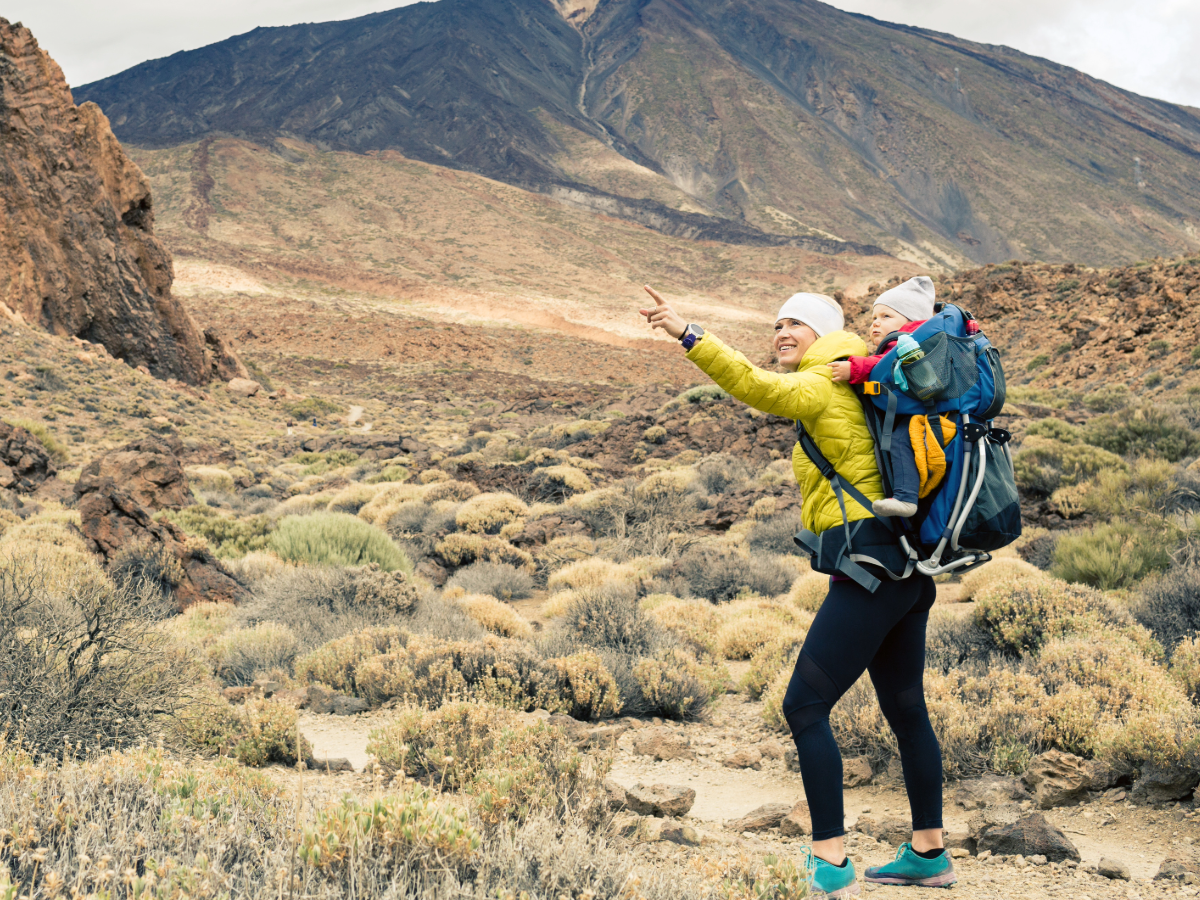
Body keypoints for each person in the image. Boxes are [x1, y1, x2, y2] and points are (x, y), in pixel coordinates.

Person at [638, 285, 954, 897]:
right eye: (776, 323)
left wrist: (688, 334)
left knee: (804, 707)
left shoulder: (822, 382)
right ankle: (927, 851)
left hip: (869, 569)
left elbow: (756, 388)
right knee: (906, 708)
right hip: (905, 571)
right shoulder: (859, 381)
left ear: (821, 332)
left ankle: (830, 862)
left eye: (795, 324)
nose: (782, 333)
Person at [828, 276, 936, 518]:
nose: (875, 324)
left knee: (900, 440)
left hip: (919, 415)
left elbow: (884, 365)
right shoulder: (915, 340)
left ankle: (906, 499)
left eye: (886, 317)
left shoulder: (908, 341)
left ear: (912, 320)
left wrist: (852, 369)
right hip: (925, 411)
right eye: (874, 318)